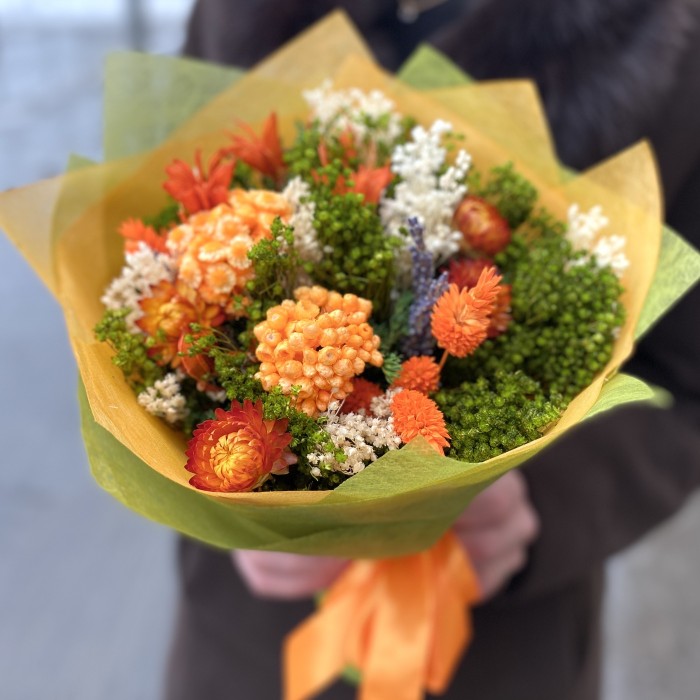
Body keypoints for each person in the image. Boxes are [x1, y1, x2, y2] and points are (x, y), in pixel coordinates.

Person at [165, 1, 700, 698]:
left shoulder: (673, 40)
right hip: (247, 638)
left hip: (501, 650)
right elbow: (165, 274)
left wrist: (539, 502)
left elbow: (684, 381)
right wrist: (218, 478)